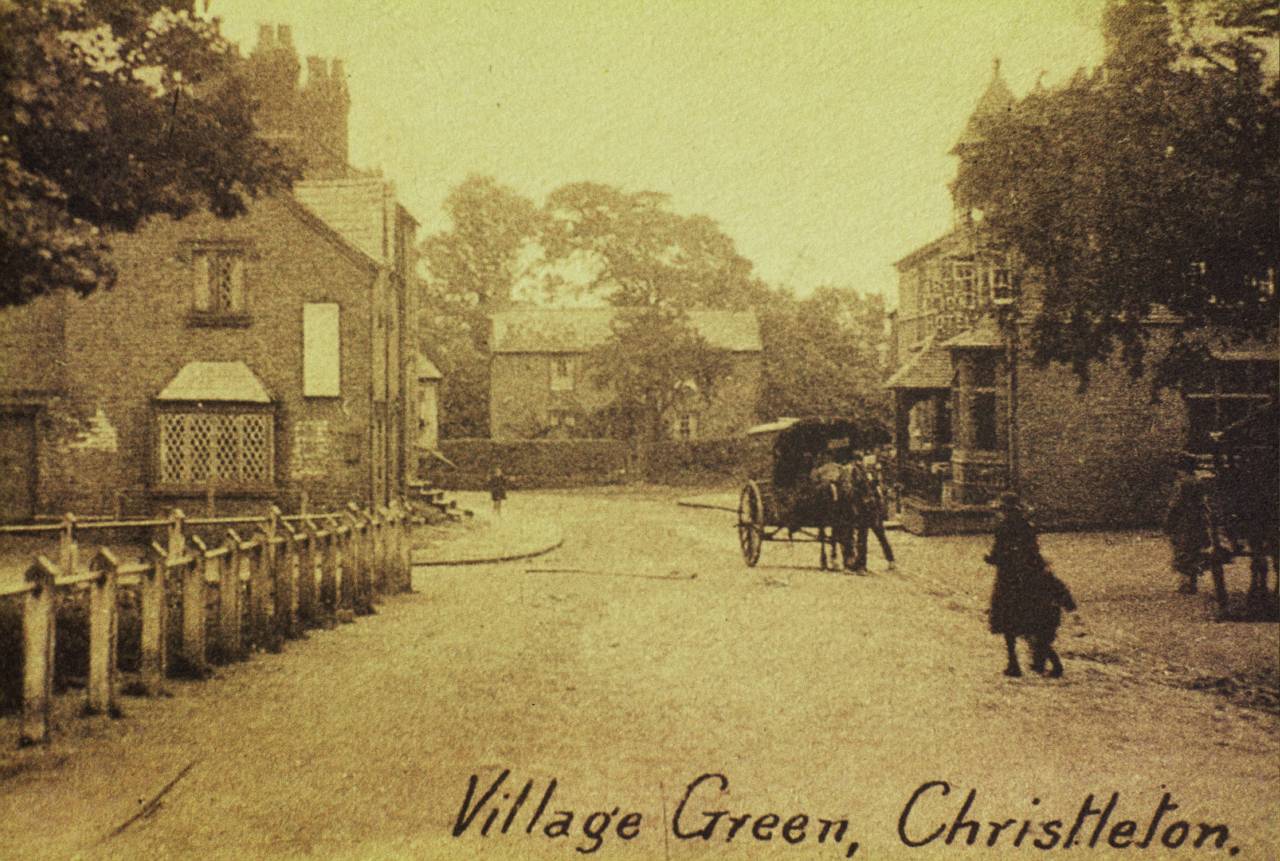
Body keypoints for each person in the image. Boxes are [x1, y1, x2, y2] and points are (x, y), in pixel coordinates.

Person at [984, 492, 1076, 677]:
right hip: (1029, 579)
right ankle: (1050, 662)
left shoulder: (1003, 528)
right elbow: (1034, 554)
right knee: (1030, 623)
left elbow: (998, 555)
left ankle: (1014, 664)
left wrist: (990, 559)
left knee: (1008, 624)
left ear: (1005, 510)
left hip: (1008, 580)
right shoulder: (1027, 527)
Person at [1163, 452, 1209, 595]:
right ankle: (1192, 581)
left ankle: (1186, 583)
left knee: (1182, 548)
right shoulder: (1198, 481)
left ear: (1180, 468)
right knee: (1194, 548)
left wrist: (1168, 521)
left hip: (1184, 519)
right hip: (1198, 519)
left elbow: (1175, 505)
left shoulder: (1182, 483)